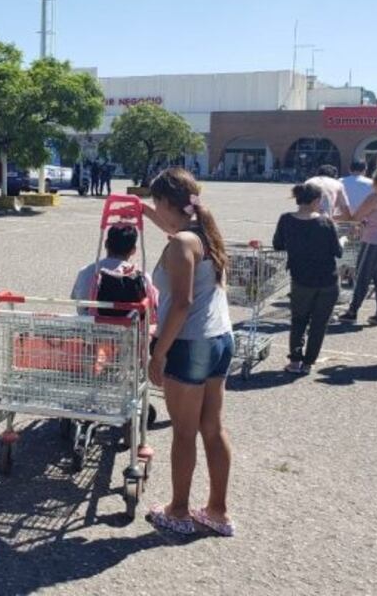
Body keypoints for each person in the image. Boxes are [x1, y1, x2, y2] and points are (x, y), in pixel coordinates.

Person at [141, 168, 235, 537]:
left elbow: (181, 302)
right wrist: (142, 211)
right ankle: (218, 511)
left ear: (166, 202)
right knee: (212, 427)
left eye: (155, 203)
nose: (154, 208)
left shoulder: (181, 243)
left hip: (189, 343)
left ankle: (178, 510)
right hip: (220, 339)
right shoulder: (205, 234)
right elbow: (173, 232)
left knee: (184, 432)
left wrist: (158, 353)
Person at [272, 183, 343, 374]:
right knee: (319, 324)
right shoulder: (326, 222)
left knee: (299, 320)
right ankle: (308, 363)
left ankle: (295, 360)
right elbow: (337, 251)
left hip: (301, 279)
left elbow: (277, 244)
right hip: (328, 280)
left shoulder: (286, 219)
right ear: (315, 201)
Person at [339, 167, 377, 326]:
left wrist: (342, 216)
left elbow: (356, 217)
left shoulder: (375, 198)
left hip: (372, 242)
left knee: (362, 276)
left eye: (374, 182)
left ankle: (352, 311)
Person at [70, 226, 156, 313]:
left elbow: (77, 301)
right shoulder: (142, 277)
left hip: (91, 324)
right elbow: (152, 308)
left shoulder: (85, 272)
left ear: (106, 244)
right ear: (133, 250)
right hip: (129, 325)